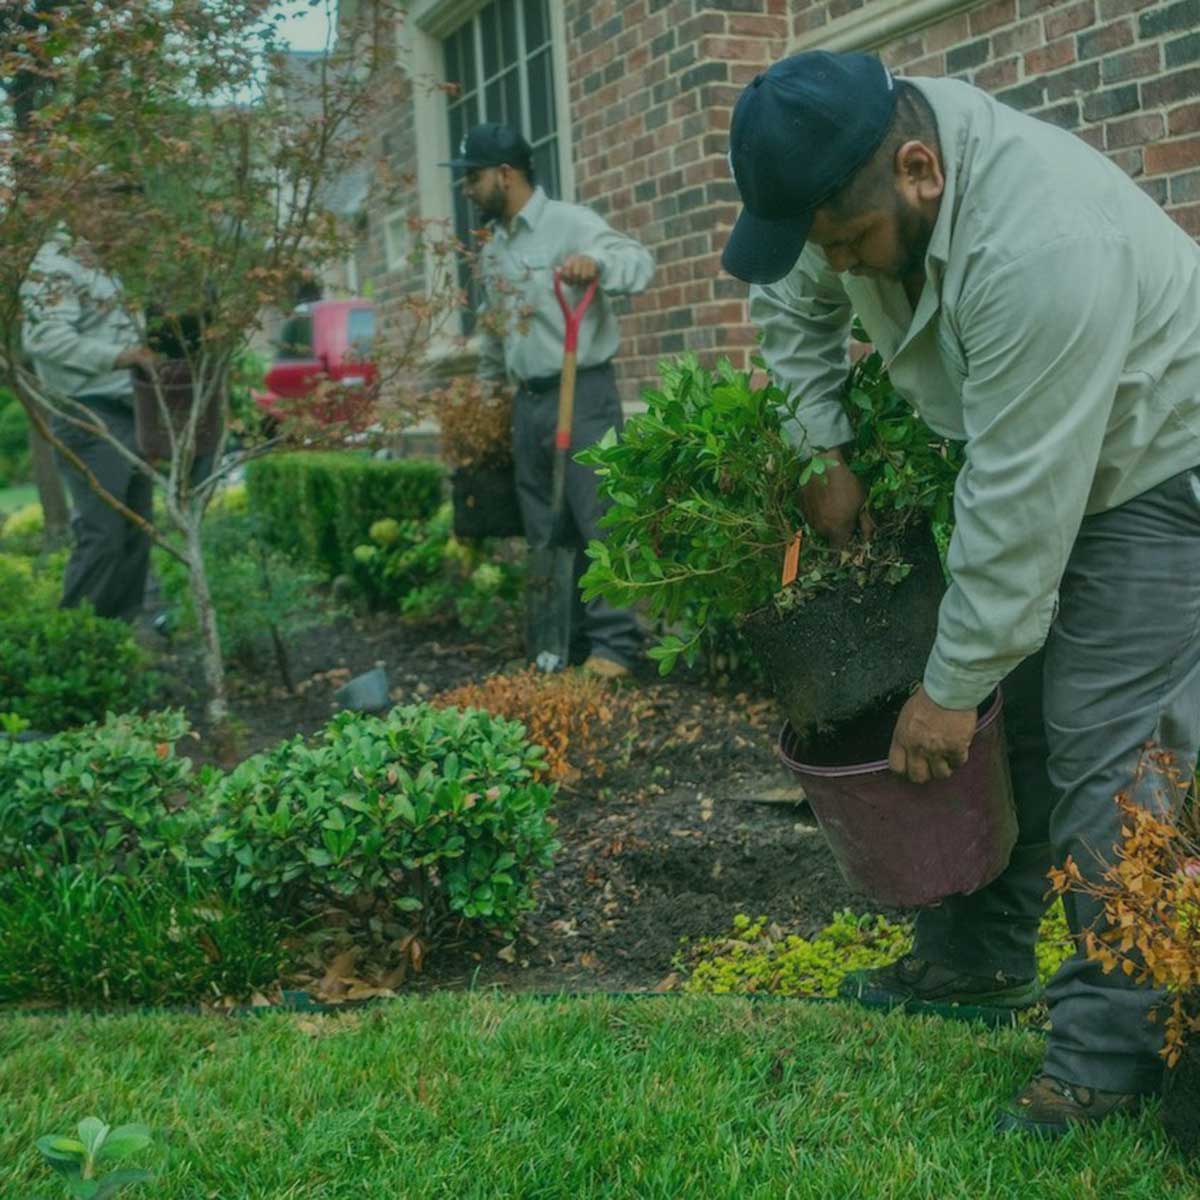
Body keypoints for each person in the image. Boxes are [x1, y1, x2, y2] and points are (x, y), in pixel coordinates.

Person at [723, 51, 1200, 1136]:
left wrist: (946, 689)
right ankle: (980, 963)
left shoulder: (1042, 249)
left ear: (921, 170)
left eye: (848, 244)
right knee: (1009, 715)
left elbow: (1021, 505)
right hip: (1040, 450)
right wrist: (820, 444)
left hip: (1161, 465)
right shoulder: (844, 186)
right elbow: (791, 305)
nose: (835, 263)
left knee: (1105, 752)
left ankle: (1108, 1058)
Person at [442, 123, 652, 678]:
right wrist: (488, 395)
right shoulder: (494, 251)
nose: (465, 188)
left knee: (597, 516)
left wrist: (598, 265)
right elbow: (494, 331)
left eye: (472, 177)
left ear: (505, 175)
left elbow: (639, 263)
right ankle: (560, 642)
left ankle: (617, 646)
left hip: (581, 392)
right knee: (544, 525)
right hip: (527, 400)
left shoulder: (571, 224)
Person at [21, 225, 157, 621]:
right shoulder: (54, 265)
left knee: (136, 530)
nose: (122, 213)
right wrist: (120, 356)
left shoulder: (104, 261)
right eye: (111, 199)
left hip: (128, 407)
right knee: (103, 535)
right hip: (88, 413)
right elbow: (45, 339)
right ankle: (79, 635)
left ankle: (126, 633)